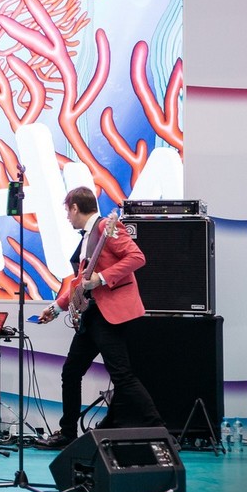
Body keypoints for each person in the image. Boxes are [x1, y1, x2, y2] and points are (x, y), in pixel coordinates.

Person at [34, 186, 165, 449]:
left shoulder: (106, 227)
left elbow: (137, 257)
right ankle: (68, 433)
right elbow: (81, 282)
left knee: (122, 375)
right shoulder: (88, 237)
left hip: (108, 315)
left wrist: (102, 278)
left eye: (67, 211)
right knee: (71, 372)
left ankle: (160, 431)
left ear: (75, 207)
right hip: (92, 315)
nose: (67, 218)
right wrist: (56, 308)